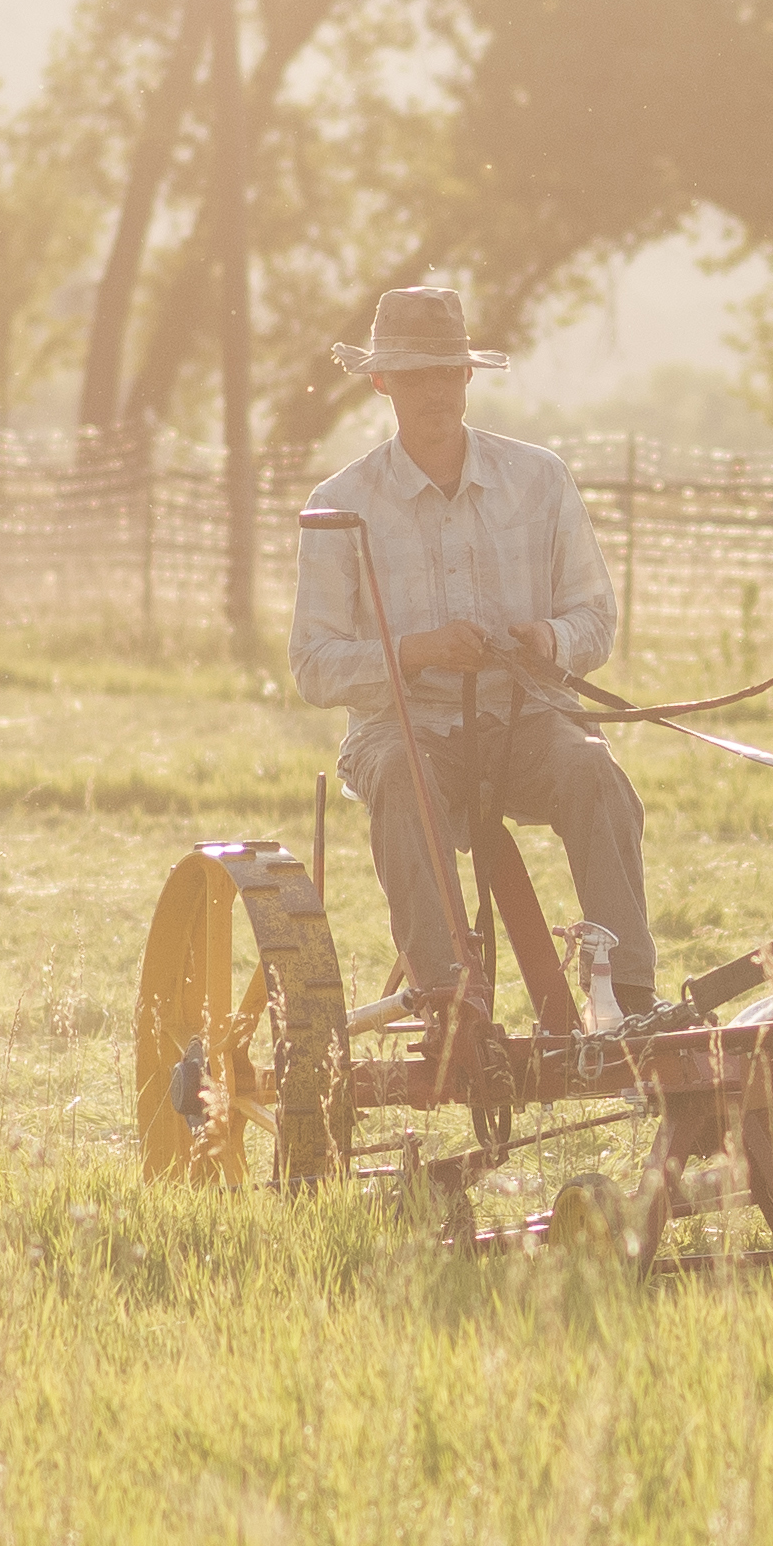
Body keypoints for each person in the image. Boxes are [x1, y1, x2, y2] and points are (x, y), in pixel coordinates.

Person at [292, 286, 658, 1017]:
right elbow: (314, 664)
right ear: (381, 382)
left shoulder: (539, 478)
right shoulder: (341, 502)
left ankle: (630, 995)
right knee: (403, 775)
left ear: (468, 377)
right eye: (414, 375)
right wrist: (416, 651)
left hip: (526, 723)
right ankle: (448, 995)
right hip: (402, 729)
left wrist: (545, 639)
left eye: (446, 372)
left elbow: (595, 618)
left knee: (593, 769)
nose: (434, 390)